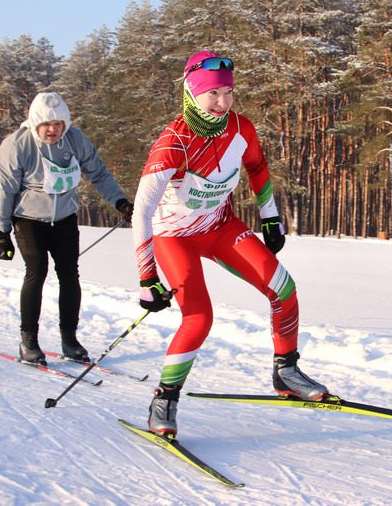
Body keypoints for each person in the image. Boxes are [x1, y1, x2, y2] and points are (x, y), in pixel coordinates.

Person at [131, 51, 329, 437]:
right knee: (199, 318)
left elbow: (257, 167)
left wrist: (269, 215)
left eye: (228, 93)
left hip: (220, 226)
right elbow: (141, 211)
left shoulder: (240, 127)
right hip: (175, 237)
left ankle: (286, 371)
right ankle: (165, 399)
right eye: (213, 95)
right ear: (192, 92)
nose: (222, 104)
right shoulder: (173, 141)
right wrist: (146, 276)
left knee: (283, 288)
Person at [0, 92, 134, 365]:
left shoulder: (75, 140)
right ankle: (29, 342)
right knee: (37, 272)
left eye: (58, 123)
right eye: (46, 124)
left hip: (66, 219)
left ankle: (69, 339)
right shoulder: (17, 145)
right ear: (35, 122)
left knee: (69, 275)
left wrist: (120, 202)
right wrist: (2, 233)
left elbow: (99, 173)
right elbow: (5, 190)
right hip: (29, 220)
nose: (52, 129)